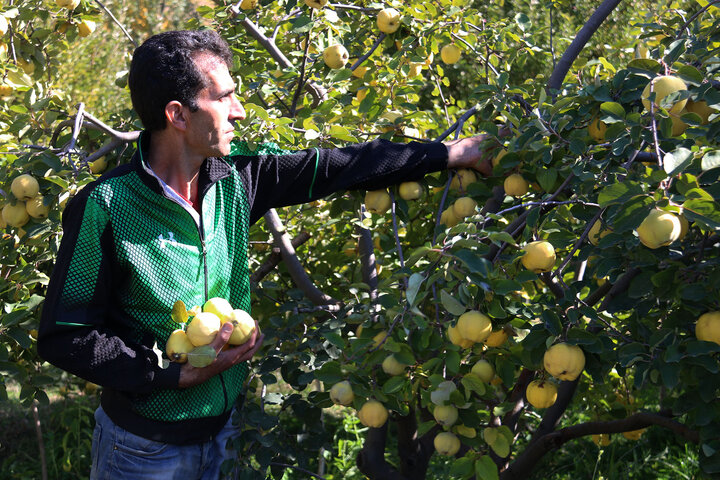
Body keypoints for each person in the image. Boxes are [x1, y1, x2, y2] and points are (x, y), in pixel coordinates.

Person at [37, 29, 492, 479]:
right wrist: (169, 375)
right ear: (177, 114)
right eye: (224, 98)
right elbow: (66, 336)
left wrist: (450, 153)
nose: (238, 112)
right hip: (142, 452)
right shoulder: (107, 207)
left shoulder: (237, 180)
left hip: (226, 435)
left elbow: (346, 165)